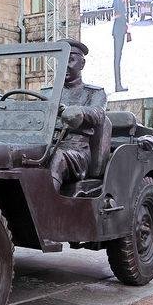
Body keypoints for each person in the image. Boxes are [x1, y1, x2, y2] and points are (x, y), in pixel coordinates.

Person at [50, 39, 107, 192]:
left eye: (70, 60)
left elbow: (98, 114)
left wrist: (77, 111)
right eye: (61, 61)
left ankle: (46, 211)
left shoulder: (94, 93)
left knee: (57, 158)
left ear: (82, 64)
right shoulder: (48, 92)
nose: (65, 65)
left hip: (76, 150)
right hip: (46, 144)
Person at [112, 0, 128, 92]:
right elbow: (118, 12)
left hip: (119, 28)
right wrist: (125, 23)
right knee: (117, 57)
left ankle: (118, 84)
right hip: (118, 29)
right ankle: (118, 85)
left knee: (118, 57)